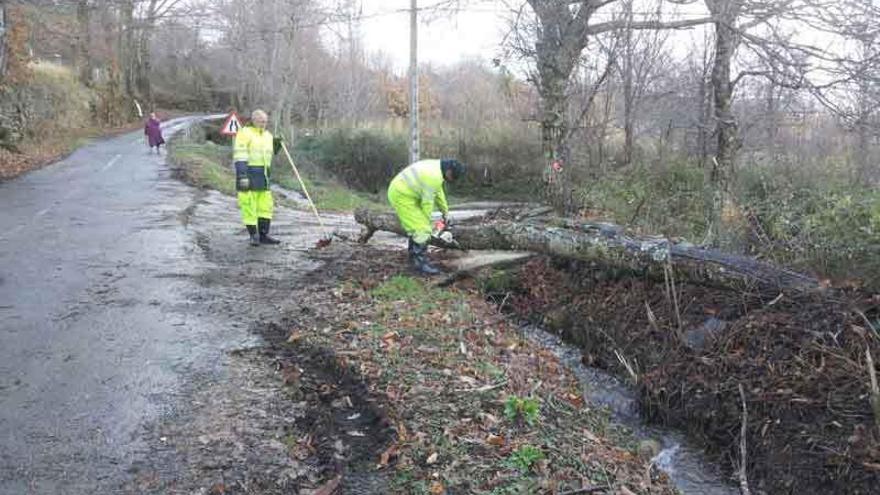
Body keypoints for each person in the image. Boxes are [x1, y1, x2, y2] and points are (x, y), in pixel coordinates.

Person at [387, 158, 465, 274]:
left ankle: (414, 260)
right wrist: (428, 226)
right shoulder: (433, 177)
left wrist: (446, 213)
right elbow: (427, 204)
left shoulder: (437, 170)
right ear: (449, 172)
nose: (452, 180)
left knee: (418, 228)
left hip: (408, 194)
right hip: (402, 196)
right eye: (453, 177)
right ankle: (419, 266)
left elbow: (438, 193)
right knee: (421, 229)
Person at [233, 109, 283, 246]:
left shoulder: (267, 135)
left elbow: (270, 153)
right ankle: (253, 235)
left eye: (266, 122)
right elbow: (240, 155)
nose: (264, 124)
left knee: (265, 206)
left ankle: (263, 234)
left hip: (264, 175)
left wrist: (277, 144)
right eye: (261, 121)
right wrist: (242, 175)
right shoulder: (244, 133)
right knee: (249, 205)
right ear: (254, 120)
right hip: (248, 173)